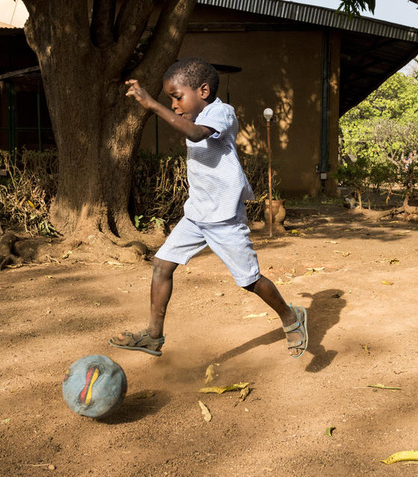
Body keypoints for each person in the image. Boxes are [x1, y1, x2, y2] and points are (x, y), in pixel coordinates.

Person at [109, 57, 308, 359]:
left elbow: (196, 133)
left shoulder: (221, 112)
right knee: (162, 265)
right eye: (169, 100)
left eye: (177, 97)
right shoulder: (194, 114)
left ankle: (292, 317)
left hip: (224, 219)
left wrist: (152, 105)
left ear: (202, 90)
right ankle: (153, 337)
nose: (174, 105)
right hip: (197, 214)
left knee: (249, 281)